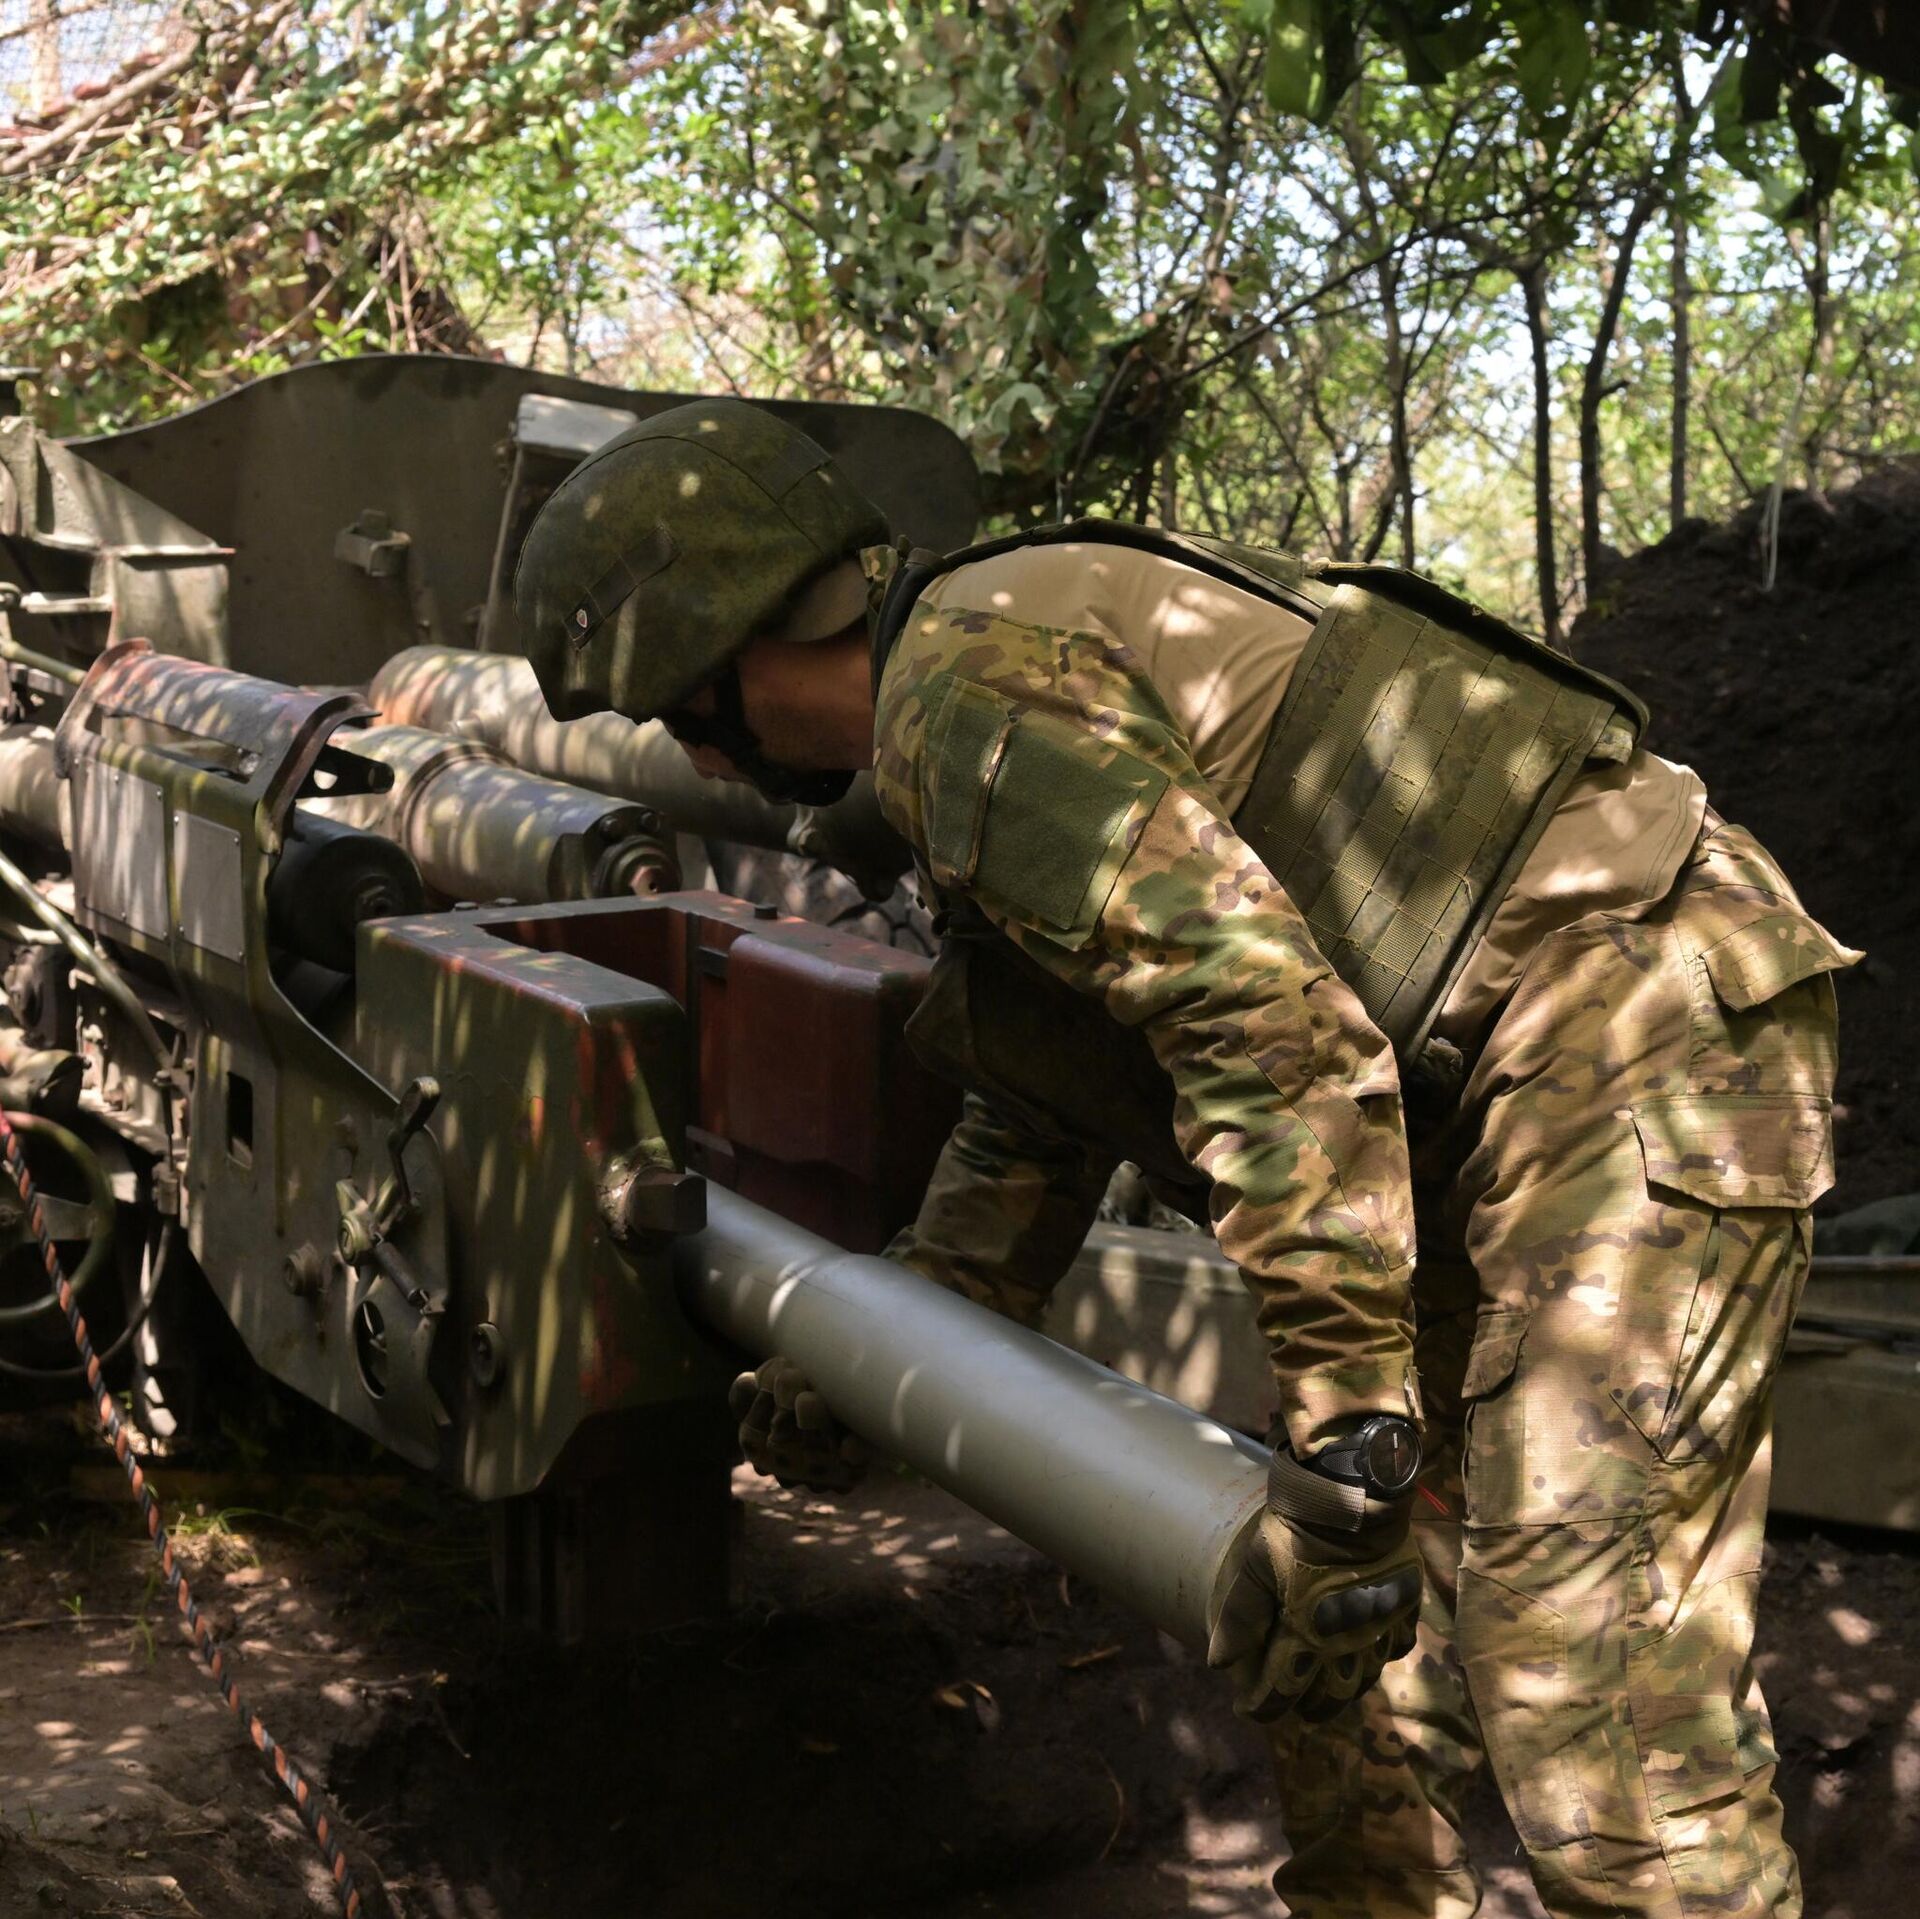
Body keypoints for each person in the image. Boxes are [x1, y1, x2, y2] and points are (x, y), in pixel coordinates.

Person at [514, 396, 1856, 1919]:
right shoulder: (971, 671)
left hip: (1635, 1011)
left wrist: (1349, 1437)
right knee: (1345, 1654)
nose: (686, 750)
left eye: (666, 713)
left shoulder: (966, 694)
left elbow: (1271, 1033)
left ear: (712, 666)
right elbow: (1048, 1091)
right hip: (1504, 1075)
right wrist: (883, 1339)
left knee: (1587, 1675)